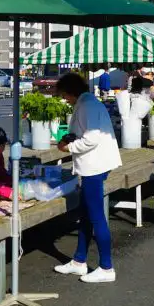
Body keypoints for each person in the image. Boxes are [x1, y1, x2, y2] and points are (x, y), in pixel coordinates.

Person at [53, 73, 123, 283]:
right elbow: (82, 131)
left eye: (65, 95)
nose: (65, 99)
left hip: (94, 165)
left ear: (71, 91)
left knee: (96, 216)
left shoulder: (87, 106)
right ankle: (79, 261)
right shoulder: (88, 103)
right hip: (93, 164)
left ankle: (106, 267)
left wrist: (70, 146)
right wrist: (69, 139)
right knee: (86, 213)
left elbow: (91, 139)